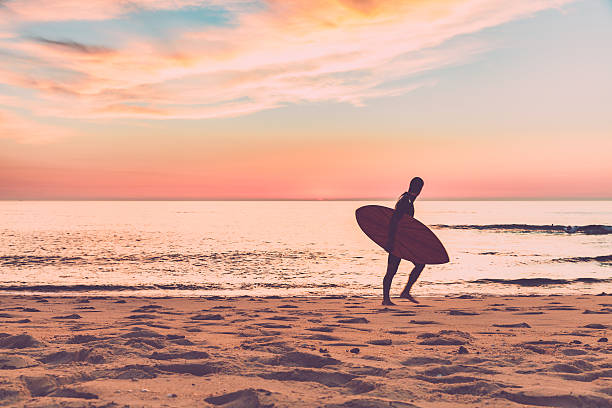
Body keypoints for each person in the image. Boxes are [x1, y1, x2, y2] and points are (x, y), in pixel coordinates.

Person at [382, 177, 425, 305]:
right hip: (397, 241)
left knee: (419, 264)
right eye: (419, 187)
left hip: (403, 241)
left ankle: (404, 292)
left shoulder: (408, 200)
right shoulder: (405, 201)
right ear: (417, 188)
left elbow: (406, 223)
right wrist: (390, 241)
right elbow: (394, 220)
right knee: (391, 270)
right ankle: (386, 299)